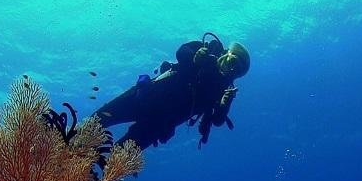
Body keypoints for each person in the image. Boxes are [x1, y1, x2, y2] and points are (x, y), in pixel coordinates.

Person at [92, 33, 249, 151]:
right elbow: (181, 51)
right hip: (145, 97)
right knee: (96, 122)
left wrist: (225, 104)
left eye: (237, 71)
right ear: (226, 53)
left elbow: (216, 120)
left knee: (118, 158)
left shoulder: (221, 91)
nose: (231, 70)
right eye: (232, 62)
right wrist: (196, 57)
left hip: (159, 124)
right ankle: (70, 144)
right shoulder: (207, 49)